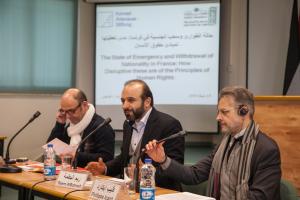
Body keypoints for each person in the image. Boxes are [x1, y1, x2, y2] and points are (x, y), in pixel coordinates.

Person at [145, 86, 281, 200]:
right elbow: (194, 175)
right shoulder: (224, 144)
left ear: (244, 111)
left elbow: (260, 197)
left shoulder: (266, 149)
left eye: (224, 112)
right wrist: (162, 159)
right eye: (218, 112)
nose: (218, 117)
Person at [86, 79, 185, 191]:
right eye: (123, 101)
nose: (125, 106)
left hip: (160, 193)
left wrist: (146, 175)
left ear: (147, 102)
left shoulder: (169, 125)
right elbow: (124, 158)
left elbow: (175, 172)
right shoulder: (128, 125)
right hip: (130, 191)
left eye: (131, 100)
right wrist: (105, 168)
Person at [47, 88, 115, 167]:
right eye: (64, 111)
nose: (68, 116)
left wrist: (76, 155)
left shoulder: (101, 127)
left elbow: (106, 158)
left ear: (84, 105)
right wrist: (59, 124)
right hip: (71, 173)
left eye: (71, 111)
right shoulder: (71, 127)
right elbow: (50, 148)